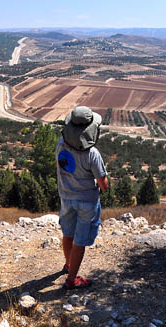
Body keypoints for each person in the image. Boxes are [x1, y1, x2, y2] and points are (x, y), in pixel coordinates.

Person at [56, 106, 109, 289]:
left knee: (67, 233)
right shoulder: (92, 154)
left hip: (65, 196)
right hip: (87, 201)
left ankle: (69, 264)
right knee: (80, 240)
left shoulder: (60, 143)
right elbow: (103, 183)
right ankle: (72, 279)